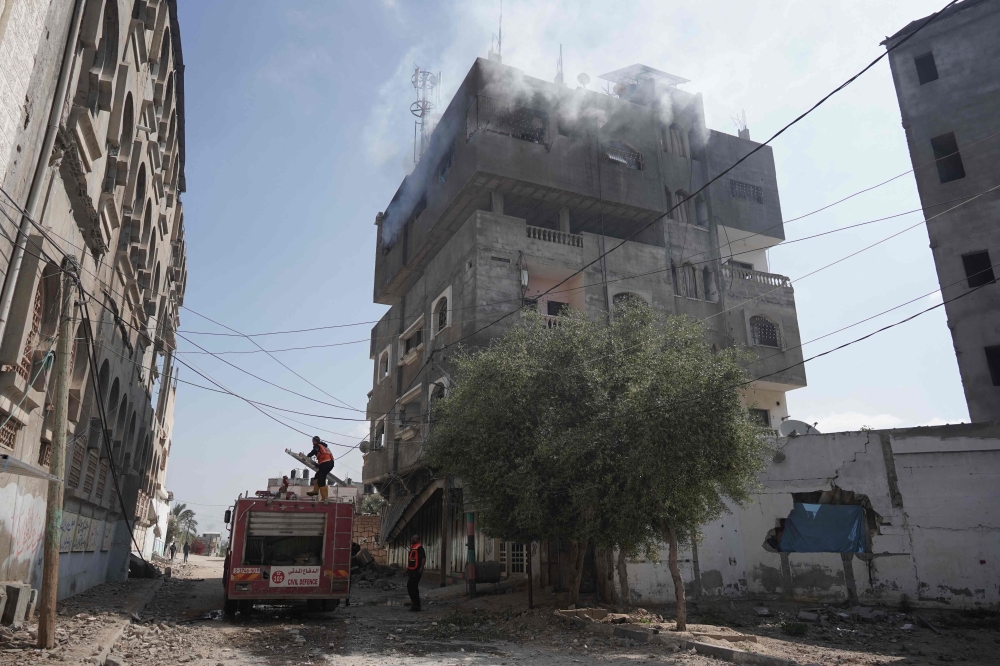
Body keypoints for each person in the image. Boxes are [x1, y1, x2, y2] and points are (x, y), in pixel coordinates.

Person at [305, 436, 334, 500]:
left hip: (326, 463)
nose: (312, 442)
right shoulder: (324, 447)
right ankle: (315, 490)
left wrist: (307, 456)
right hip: (329, 463)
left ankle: (324, 498)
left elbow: (314, 451)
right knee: (317, 476)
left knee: (321, 479)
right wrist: (320, 465)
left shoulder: (317, 446)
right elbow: (323, 455)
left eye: (312, 441)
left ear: (314, 441)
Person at [406, 534, 426, 612]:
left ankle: (416, 605)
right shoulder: (412, 548)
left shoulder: (419, 548)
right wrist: (407, 569)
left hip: (417, 570)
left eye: (414, 539)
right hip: (411, 571)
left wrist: (421, 567)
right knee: (411, 587)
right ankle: (415, 604)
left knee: (412, 587)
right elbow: (411, 560)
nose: (412, 540)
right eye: (412, 538)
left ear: (418, 540)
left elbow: (423, 558)